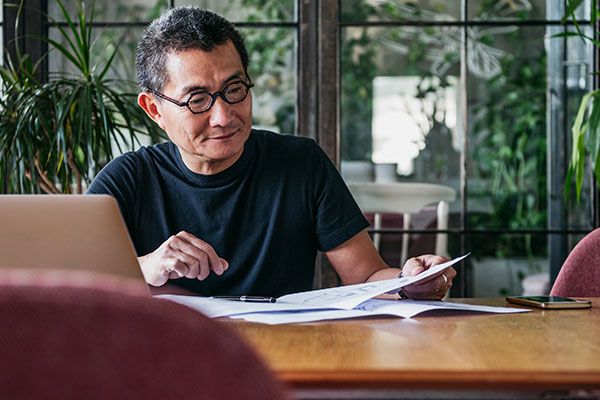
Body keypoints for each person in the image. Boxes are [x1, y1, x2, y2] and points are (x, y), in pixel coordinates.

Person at [87, 6, 456, 299]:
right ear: (154, 110)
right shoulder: (129, 180)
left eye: (234, 89)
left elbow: (367, 276)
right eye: (198, 99)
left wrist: (412, 282)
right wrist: (146, 266)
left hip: (286, 361)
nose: (223, 116)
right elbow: (64, 281)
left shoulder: (300, 163)